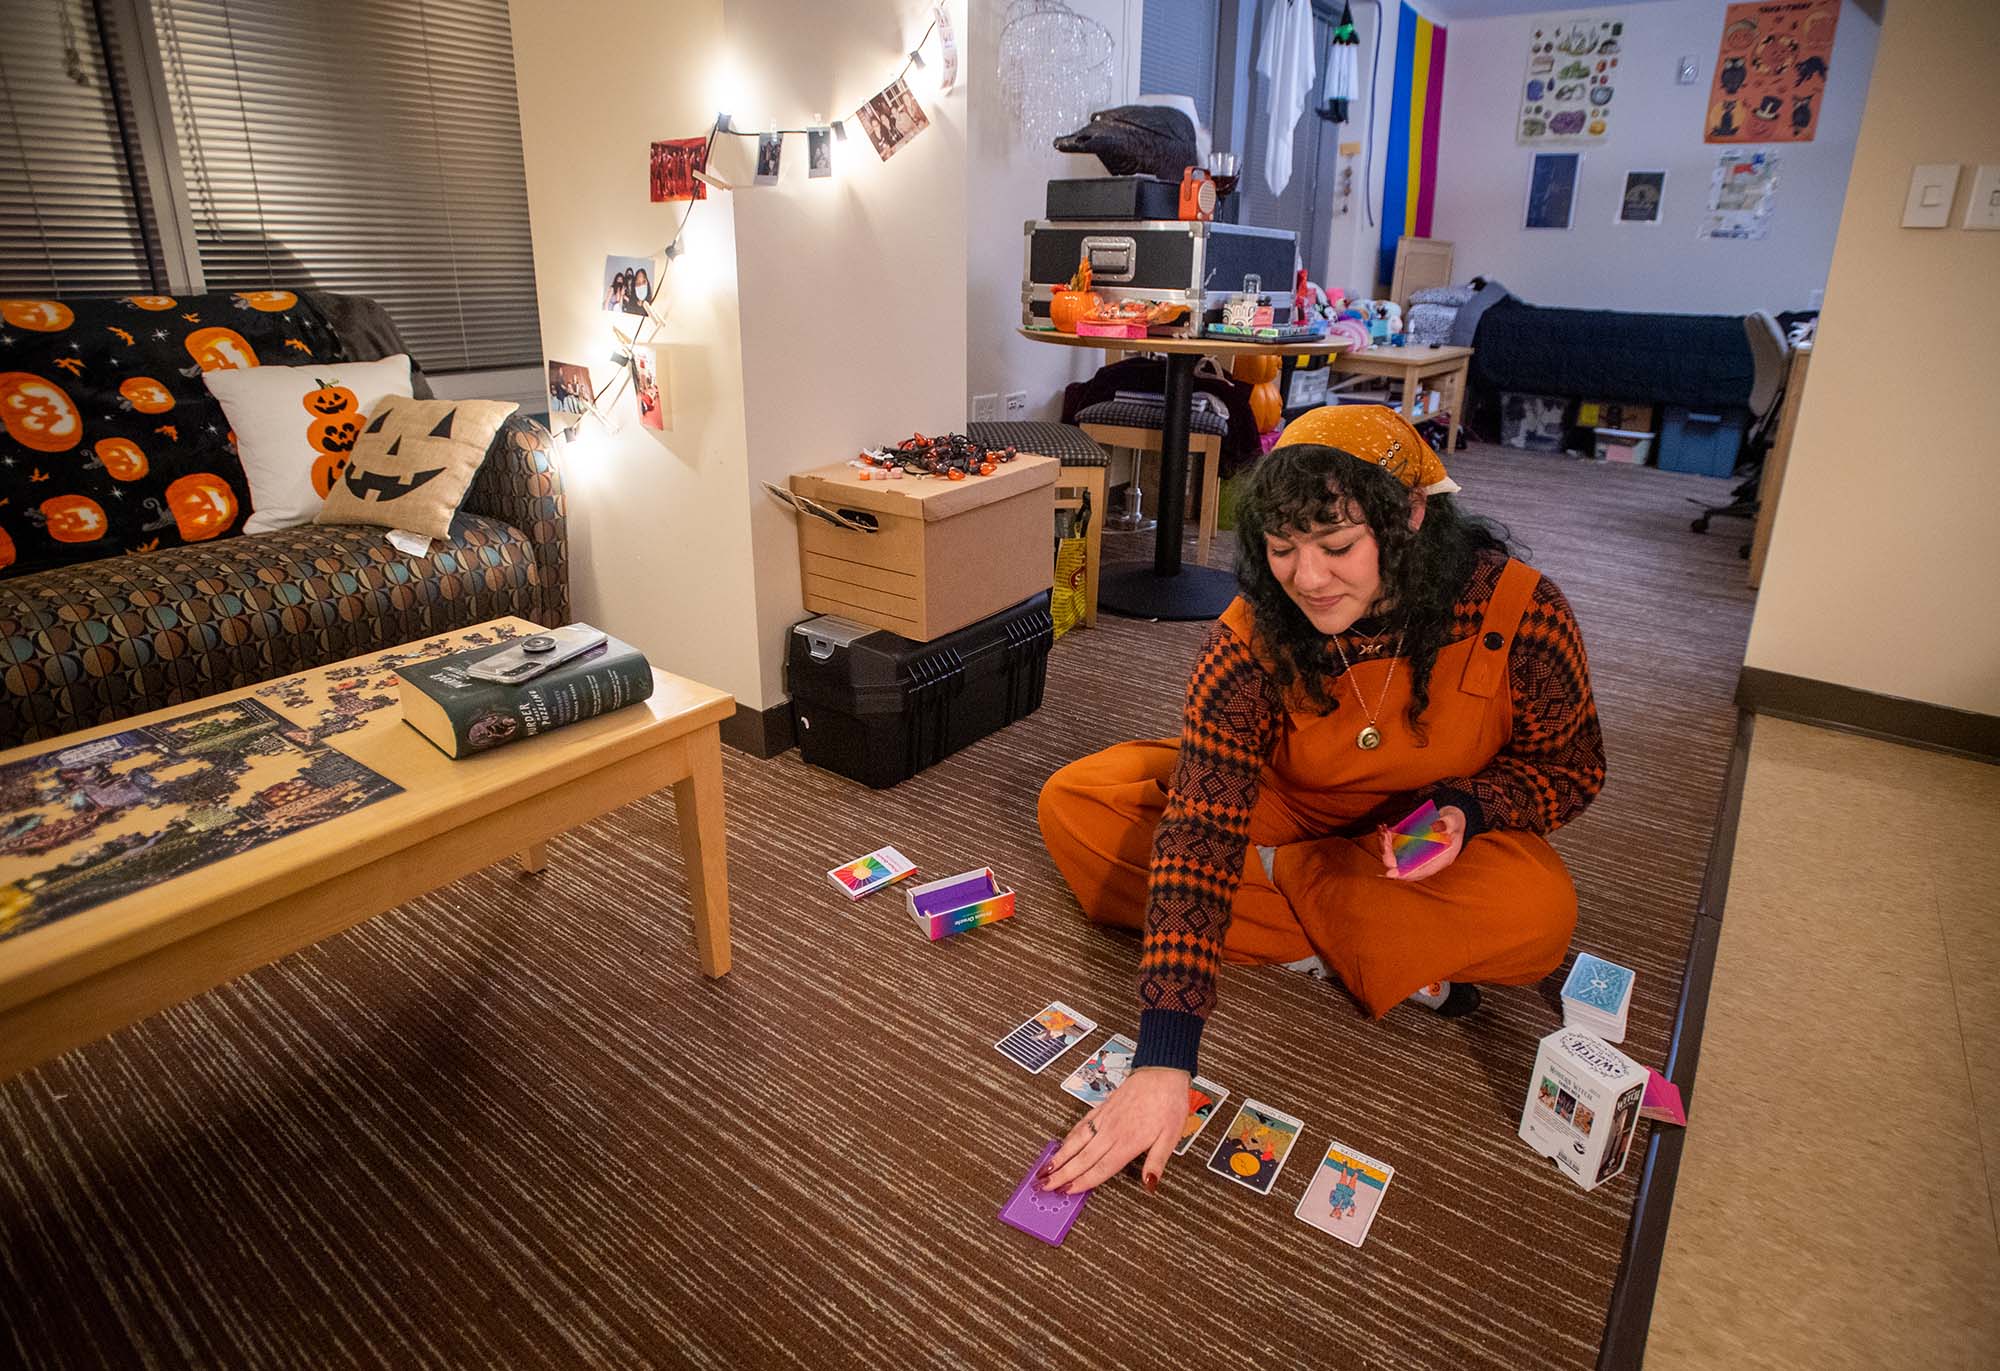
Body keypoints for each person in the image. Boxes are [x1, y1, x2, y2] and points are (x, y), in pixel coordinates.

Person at [1035, 405, 1605, 1196]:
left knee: (1540, 915)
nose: (1307, 578)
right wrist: (1165, 1057)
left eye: (1337, 546)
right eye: (1281, 549)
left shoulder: (1522, 608)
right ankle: (1341, 917)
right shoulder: (1248, 633)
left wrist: (1466, 808)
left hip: (1416, 843)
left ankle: (1297, 894)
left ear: (1409, 516)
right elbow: (1201, 830)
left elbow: (1571, 768)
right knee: (1077, 802)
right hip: (1282, 809)